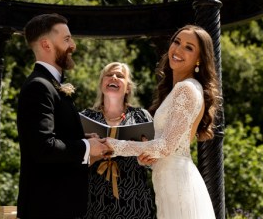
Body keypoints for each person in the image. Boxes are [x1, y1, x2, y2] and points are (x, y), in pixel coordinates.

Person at [106, 24, 221, 219]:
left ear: (199, 59)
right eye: (177, 42)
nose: (178, 49)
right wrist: (148, 158)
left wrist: (112, 145)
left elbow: (166, 147)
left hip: (180, 186)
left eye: (189, 47)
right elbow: (171, 147)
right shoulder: (179, 89)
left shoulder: (187, 89)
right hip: (168, 184)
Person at [16, 13, 110, 219]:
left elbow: (54, 138)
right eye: (66, 39)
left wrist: (85, 141)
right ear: (46, 44)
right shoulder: (38, 87)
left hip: (60, 207)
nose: (73, 45)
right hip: (46, 208)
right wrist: (86, 148)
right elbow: (43, 147)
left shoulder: (52, 85)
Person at [80, 62, 156, 219]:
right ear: (102, 84)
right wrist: (94, 154)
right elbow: (73, 158)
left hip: (134, 201)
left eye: (120, 76)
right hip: (93, 200)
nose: (113, 77)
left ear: (128, 87)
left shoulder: (141, 116)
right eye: (108, 75)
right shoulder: (85, 117)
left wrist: (148, 159)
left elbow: (156, 158)